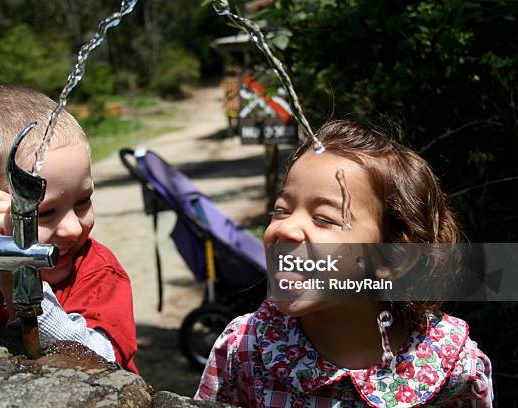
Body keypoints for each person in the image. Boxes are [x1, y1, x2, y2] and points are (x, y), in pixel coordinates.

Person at [195, 120, 493, 407]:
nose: (284, 229)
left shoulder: (454, 370)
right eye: (281, 209)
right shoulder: (244, 349)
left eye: (324, 219)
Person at [0, 84, 138, 374]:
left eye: (83, 201)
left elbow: (100, 361)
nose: (72, 228)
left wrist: (18, 282)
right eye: (44, 213)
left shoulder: (97, 272)